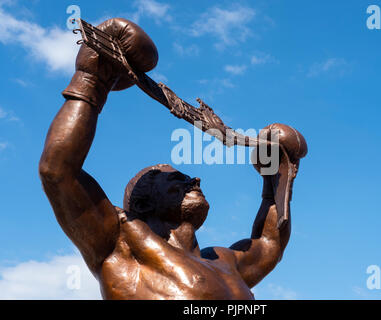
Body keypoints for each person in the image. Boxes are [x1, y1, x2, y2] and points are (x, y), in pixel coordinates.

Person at [39, 18, 307, 299]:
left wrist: (275, 176)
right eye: (175, 179)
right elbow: (57, 171)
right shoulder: (122, 241)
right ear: (142, 203)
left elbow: (269, 244)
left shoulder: (225, 263)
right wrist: (92, 78)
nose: (195, 179)